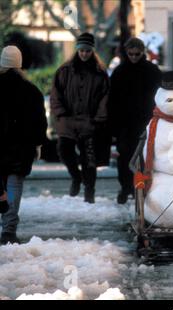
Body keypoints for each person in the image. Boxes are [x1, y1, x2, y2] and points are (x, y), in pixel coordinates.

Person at [50, 32, 110, 204]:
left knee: (89, 159)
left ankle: (89, 191)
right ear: (77, 50)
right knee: (64, 150)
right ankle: (76, 177)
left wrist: (99, 117)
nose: (84, 54)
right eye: (81, 50)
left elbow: (106, 96)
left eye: (87, 51)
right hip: (68, 120)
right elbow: (55, 93)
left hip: (89, 121)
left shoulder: (99, 73)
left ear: (92, 51)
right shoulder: (64, 70)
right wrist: (60, 112)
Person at [0, 45, 47, 244]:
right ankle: (9, 229)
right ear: (19, 65)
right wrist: (37, 144)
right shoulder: (31, 91)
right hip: (20, 149)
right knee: (13, 186)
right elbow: (39, 121)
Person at [108, 37, 162, 204]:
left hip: (146, 121)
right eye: (130, 54)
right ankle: (126, 188)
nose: (133, 57)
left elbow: (160, 97)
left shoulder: (152, 71)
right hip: (125, 123)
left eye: (137, 54)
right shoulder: (119, 72)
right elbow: (112, 101)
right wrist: (113, 127)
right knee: (125, 157)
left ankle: (141, 187)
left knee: (145, 157)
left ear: (142, 52)